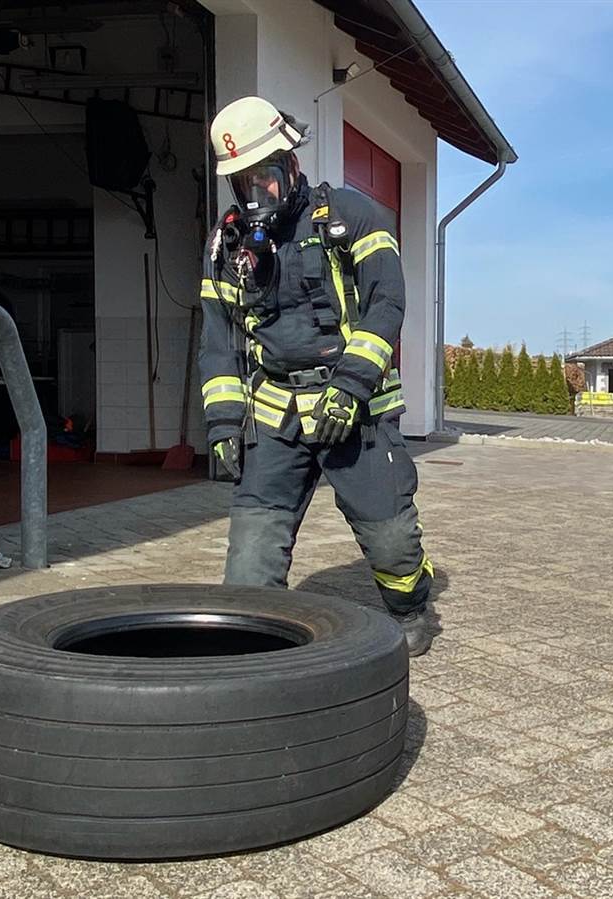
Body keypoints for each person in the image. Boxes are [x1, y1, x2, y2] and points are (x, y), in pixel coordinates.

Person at [196, 96, 435, 656]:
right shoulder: (228, 248)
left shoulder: (352, 217)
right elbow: (218, 341)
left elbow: (387, 306)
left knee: (389, 537)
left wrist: (349, 386)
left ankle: (411, 605)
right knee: (250, 558)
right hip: (276, 414)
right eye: (244, 183)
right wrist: (224, 423)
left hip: (353, 410)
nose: (260, 192)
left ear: (292, 166)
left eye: (268, 176)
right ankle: (253, 635)